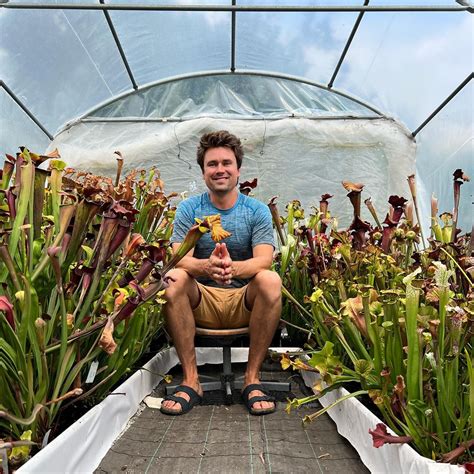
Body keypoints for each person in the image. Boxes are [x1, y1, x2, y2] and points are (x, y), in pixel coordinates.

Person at [160, 130, 282, 416]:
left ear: (238, 169)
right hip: (201, 301)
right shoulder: (190, 209)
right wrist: (207, 267)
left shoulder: (256, 211)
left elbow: (264, 260)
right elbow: (177, 257)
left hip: (244, 302)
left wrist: (230, 268)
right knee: (174, 279)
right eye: (212, 164)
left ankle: (252, 379)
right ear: (203, 173)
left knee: (270, 279)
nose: (220, 170)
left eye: (226, 163)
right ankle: (192, 381)